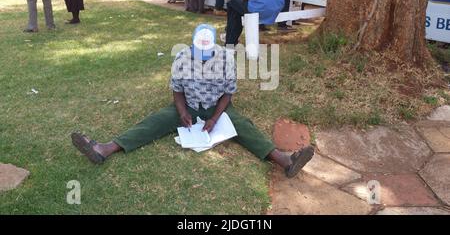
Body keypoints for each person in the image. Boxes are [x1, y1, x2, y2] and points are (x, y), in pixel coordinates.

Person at [70, 24, 314, 179]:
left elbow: (228, 93)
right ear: (192, 47)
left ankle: (284, 160)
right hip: (188, 105)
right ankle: (104, 149)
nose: (203, 59)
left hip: (216, 107)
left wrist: (216, 117)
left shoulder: (227, 59)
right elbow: (177, 90)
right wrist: (182, 111)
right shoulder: (182, 57)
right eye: (199, 54)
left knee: (242, 126)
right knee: (155, 122)